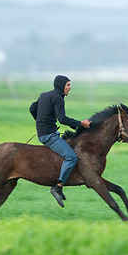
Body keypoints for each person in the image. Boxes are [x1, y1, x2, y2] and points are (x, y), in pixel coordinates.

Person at [29, 75, 91, 208]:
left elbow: (32, 109)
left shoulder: (44, 95)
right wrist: (81, 124)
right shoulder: (58, 98)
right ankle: (58, 187)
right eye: (68, 85)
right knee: (71, 157)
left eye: (70, 85)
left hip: (46, 132)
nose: (70, 88)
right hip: (49, 136)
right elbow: (62, 119)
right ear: (61, 86)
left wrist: (41, 123)